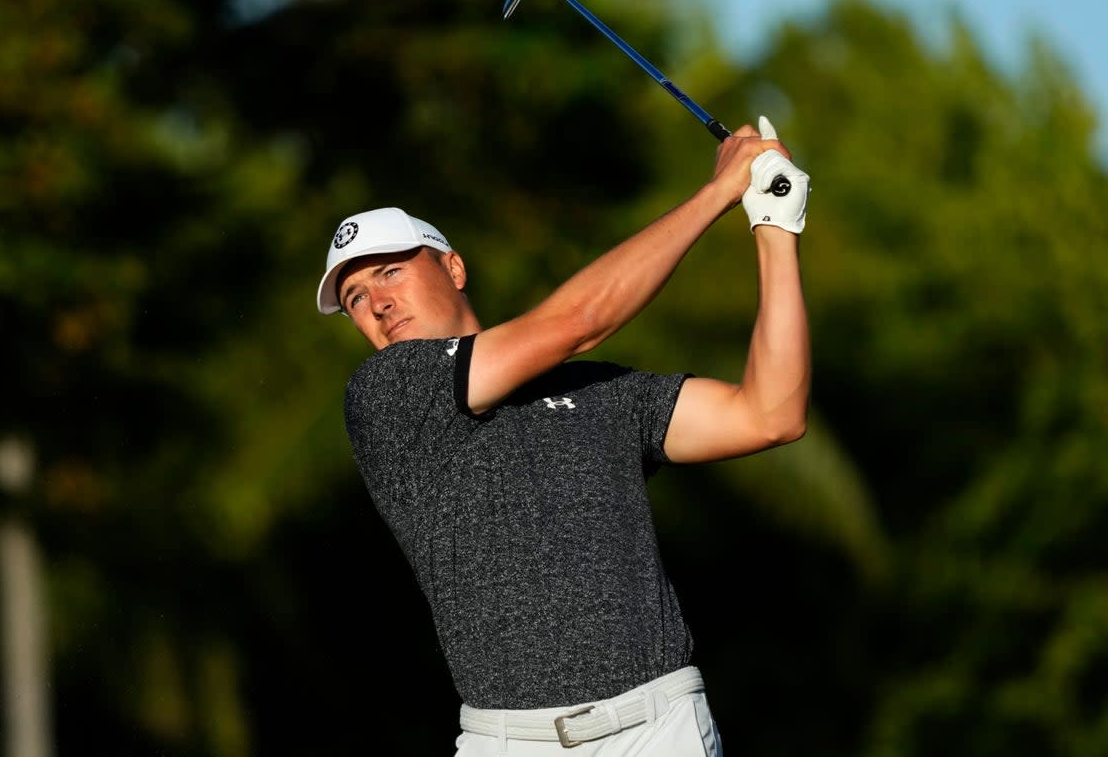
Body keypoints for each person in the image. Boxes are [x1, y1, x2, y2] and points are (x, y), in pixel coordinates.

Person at [317, 115, 811, 756]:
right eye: (354, 296)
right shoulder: (387, 396)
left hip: (661, 731)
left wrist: (775, 225)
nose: (376, 303)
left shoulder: (597, 391)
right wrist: (717, 192)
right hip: (511, 742)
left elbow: (772, 413)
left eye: (389, 271)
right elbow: (579, 319)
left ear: (454, 267)